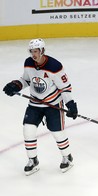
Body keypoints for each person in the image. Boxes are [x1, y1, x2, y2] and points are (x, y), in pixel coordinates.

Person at [3, 38, 78, 176]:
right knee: (28, 130)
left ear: (42, 51)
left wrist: (70, 104)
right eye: (31, 51)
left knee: (57, 132)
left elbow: (65, 87)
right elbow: (26, 80)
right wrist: (16, 85)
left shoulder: (55, 66)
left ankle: (67, 157)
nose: (33, 54)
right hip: (35, 104)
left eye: (36, 51)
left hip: (53, 104)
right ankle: (33, 161)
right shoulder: (28, 63)